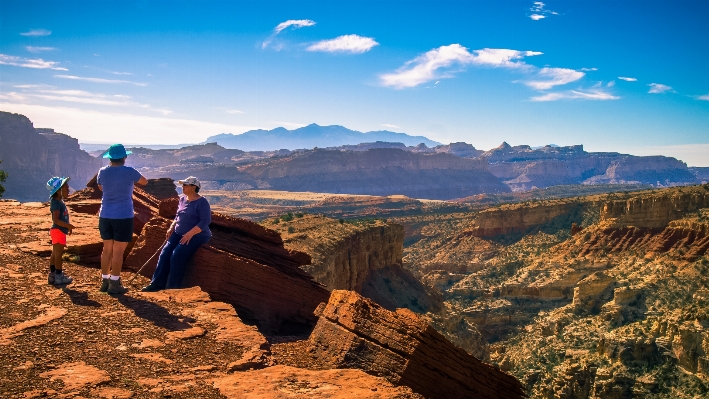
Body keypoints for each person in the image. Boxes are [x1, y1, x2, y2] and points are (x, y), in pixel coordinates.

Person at [142, 176, 211, 292]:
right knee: (164, 254)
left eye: (185, 185)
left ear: (194, 187)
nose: (182, 187)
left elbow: (205, 221)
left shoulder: (202, 202)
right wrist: (171, 227)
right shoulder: (182, 199)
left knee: (177, 255)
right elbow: (178, 216)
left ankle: (173, 288)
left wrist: (190, 234)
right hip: (178, 233)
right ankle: (157, 284)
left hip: (197, 235)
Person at [97, 144, 148, 294]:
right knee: (118, 251)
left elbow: (100, 187)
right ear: (124, 157)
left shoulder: (102, 171)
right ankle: (115, 283)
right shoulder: (129, 171)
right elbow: (144, 181)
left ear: (110, 158)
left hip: (105, 214)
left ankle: (104, 281)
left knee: (106, 249)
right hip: (123, 215)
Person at [47, 176, 75, 285]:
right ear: (58, 191)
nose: (68, 189)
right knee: (58, 254)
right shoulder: (56, 203)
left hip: (58, 231)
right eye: (66, 187)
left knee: (55, 253)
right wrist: (67, 225)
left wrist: (66, 227)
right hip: (58, 231)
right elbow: (56, 219)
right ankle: (59, 276)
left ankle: (52, 275)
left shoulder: (59, 201)